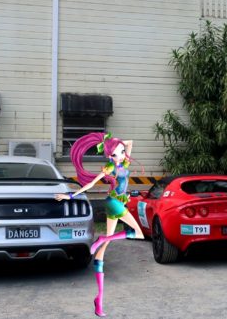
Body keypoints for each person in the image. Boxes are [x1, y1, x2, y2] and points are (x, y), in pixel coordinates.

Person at [56, 132, 144, 316]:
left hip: (116, 202)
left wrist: (112, 142)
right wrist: (70, 196)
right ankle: (103, 238)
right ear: (110, 156)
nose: (122, 154)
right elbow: (92, 184)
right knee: (138, 233)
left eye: (121, 152)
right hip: (114, 203)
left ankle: (99, 300)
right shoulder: (110, 167)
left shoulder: (124, 163)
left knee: (102, 251)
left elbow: (130, 142)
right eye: (116, 153)